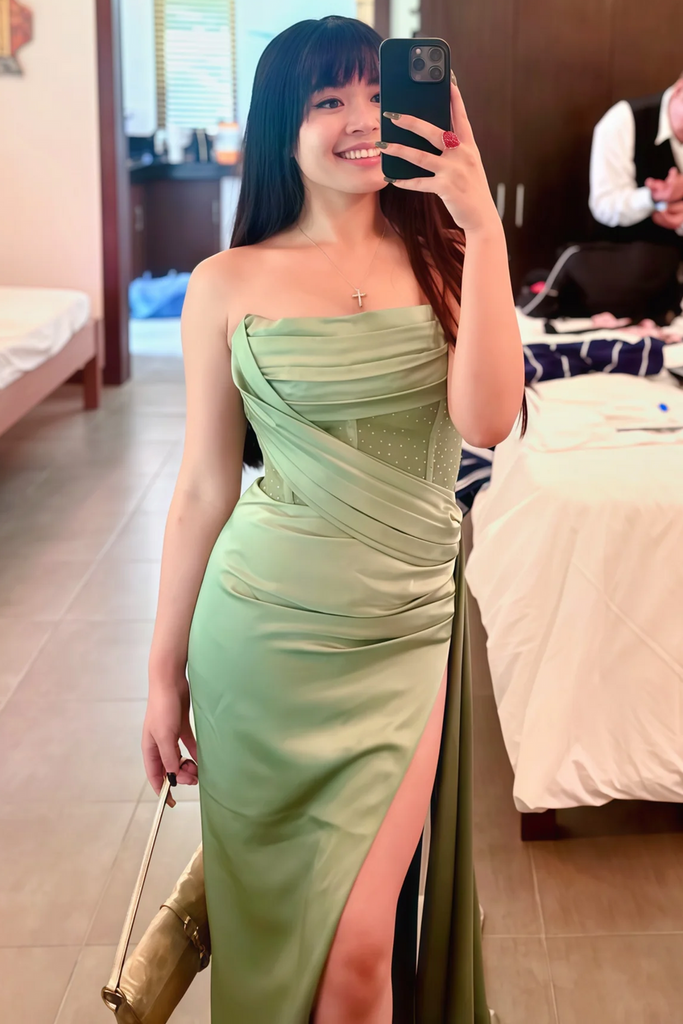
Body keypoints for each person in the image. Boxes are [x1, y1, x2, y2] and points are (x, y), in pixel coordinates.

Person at [142, 16, 524, 1024]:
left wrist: (483, 225)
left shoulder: (448, 253)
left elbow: (489, 421)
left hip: (402, 634)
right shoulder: (224, 282)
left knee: (356, 952)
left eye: (377, 96)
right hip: (258, 638)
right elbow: (203, 488)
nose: (360, 120)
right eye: (328, 101)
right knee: (284, 940)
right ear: (284, 126)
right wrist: (161, 670)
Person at [589, 73, 683, 245]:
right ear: (679, 90)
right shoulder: (621, 121)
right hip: (624, 251)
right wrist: (654, 198)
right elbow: (604, 205)